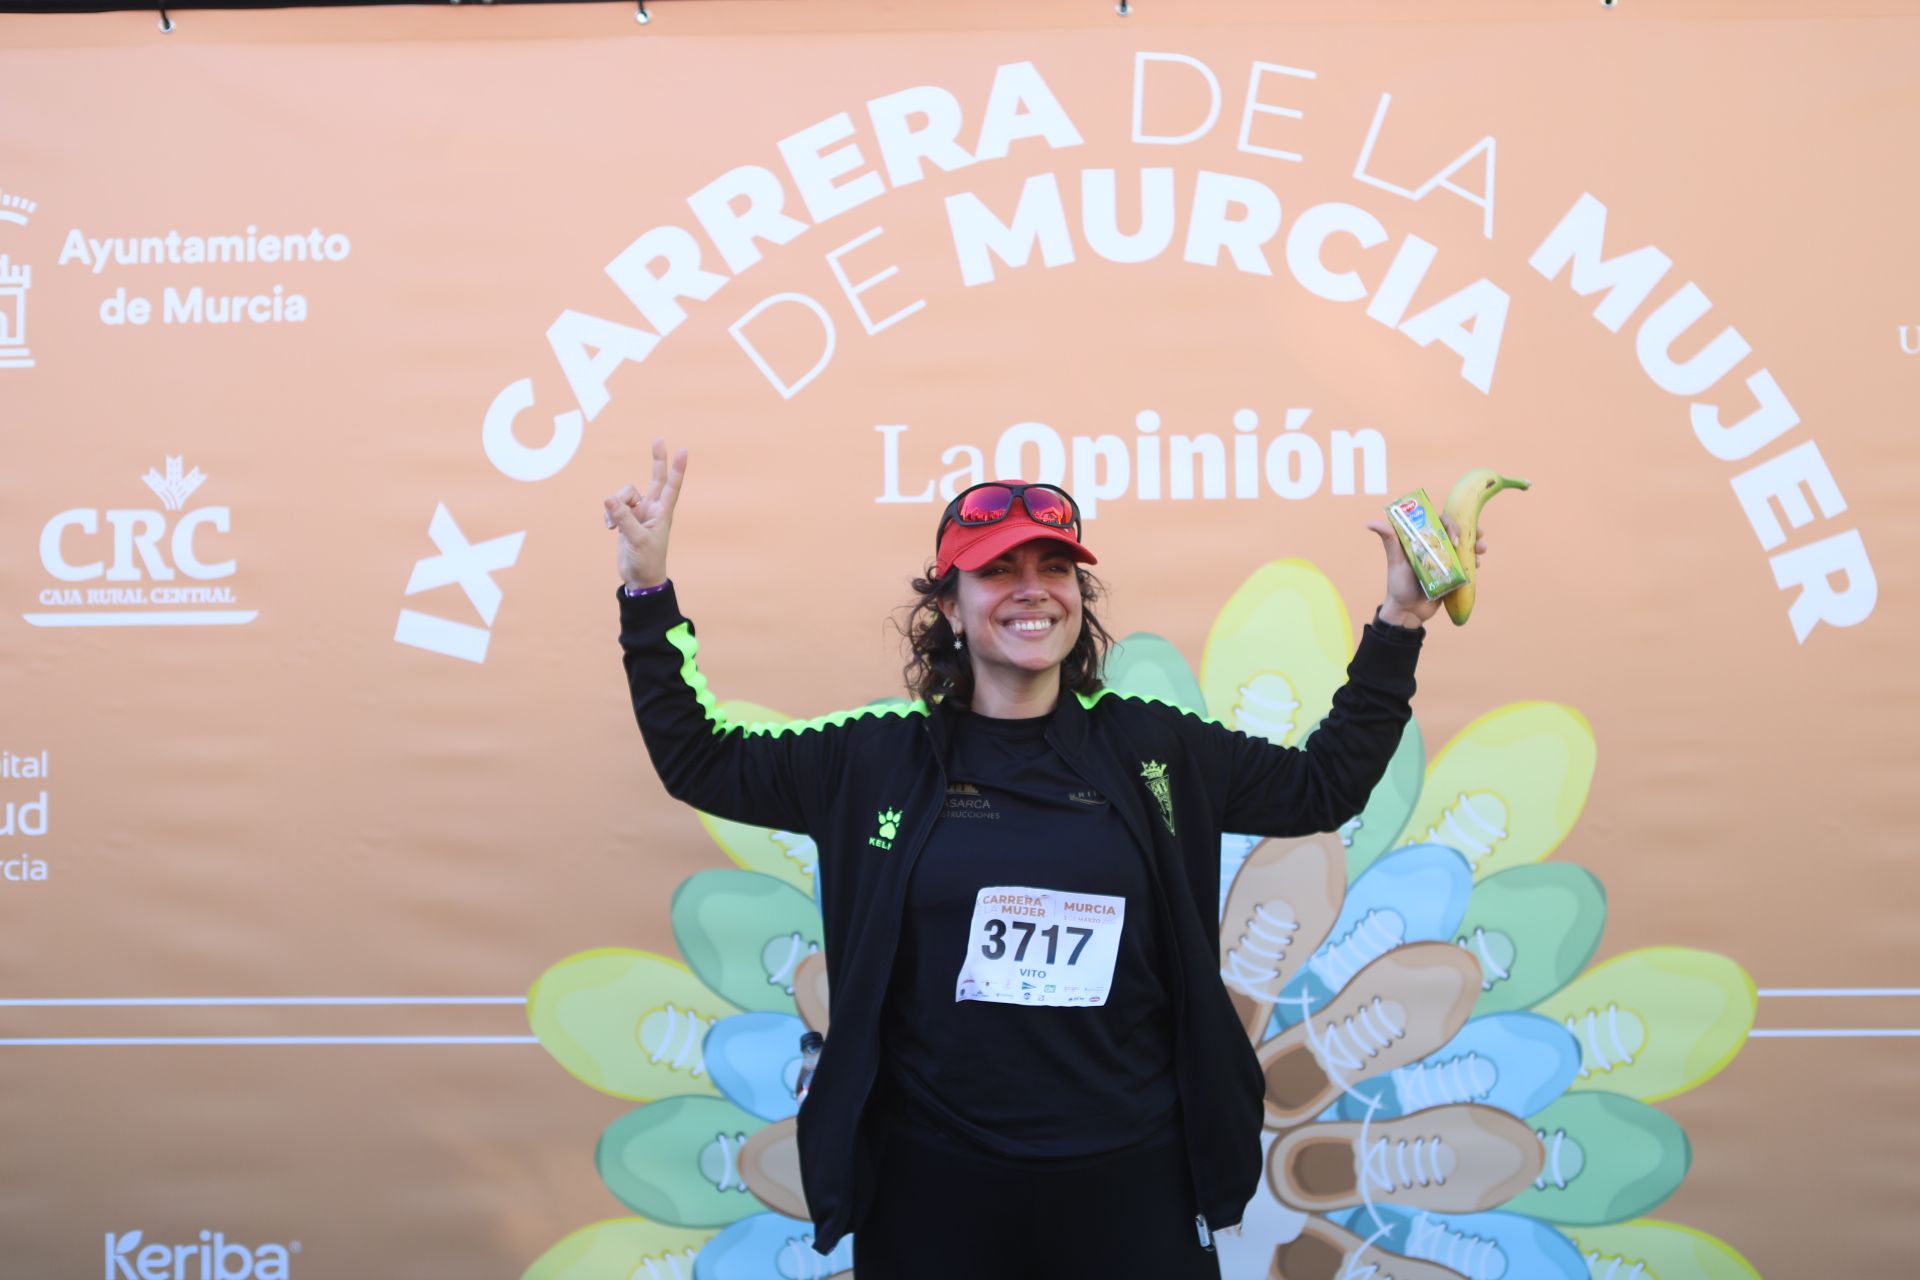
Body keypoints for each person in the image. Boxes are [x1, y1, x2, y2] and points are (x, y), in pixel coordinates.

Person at [604, 440, 1484, 1278]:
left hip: (1133, 1178)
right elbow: (701, 759)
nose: (1033, 591)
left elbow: (1320, 787)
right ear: (948, 605)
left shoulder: (1152, 747)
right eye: (997, 570)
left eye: (1054, 567)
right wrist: (647, 596)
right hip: (931, 1184)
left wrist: (1401, 619)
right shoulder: (874, 760)